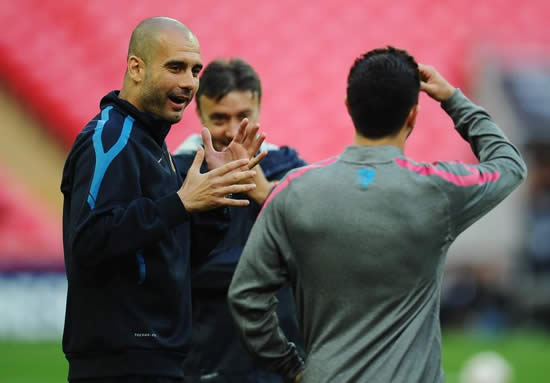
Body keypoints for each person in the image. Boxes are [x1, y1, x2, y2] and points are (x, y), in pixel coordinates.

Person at [228, 46, 527, 383]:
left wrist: (291, 367)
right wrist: (452, 98)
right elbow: (509, 165)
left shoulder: (292, 191)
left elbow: (246, 297)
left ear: (348, 108)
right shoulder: (438, 189)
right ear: (412, 115)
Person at [61, 17, 266, 383]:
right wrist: (181, 204)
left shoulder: (152, 142)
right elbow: (88, 241)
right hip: (121, 362)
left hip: (160, 358)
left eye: (194, 70)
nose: (189, 82)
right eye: (176, 67)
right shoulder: (111, 139)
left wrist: (219, 195)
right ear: (136, 68)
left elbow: (176, 254)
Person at [172, 58, 307, 382]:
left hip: (283, 355)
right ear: (199, 114)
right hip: (207, 357)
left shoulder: (289, 167)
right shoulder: (176, 173)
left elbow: (319, 253)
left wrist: (266, 194)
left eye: (243, 117)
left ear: (259, 108)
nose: (232, 132)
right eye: (219, 118)